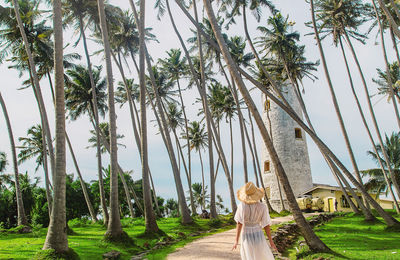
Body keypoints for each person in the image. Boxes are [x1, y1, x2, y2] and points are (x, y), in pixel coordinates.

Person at [232, 182, 277, 260]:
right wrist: (271, 241)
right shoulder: (263, 207)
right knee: (260, 255)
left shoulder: (241, 206)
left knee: (248, 256)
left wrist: (236, 240)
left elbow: (239, 224)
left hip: (246, 234)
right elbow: (266, 225)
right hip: (258, 233)